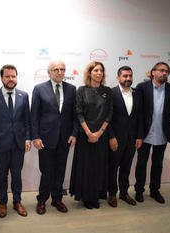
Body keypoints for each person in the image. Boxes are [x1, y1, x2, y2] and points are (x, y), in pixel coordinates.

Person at [31, 60, 78, 214]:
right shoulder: (39, 89)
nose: (59, 72)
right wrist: (36, 137)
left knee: (60, 170)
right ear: (49, 72)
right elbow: (34, 116)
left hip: (65, 139)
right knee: (46, 171)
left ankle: (57, 199)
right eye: (56, 69)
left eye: (62, 69)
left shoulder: (71, 89)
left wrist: (74, 134)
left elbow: (75, 115)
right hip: (45, 139)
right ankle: (42, 200)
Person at [0, 65, 31, 218]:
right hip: (0, 144)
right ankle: (2, 203)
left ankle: (17, 201)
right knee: (2, 175)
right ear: (1, 78)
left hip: (19, 144)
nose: (11, 79)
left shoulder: (24, 96)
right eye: (7, 77)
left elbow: (27, 121)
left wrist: (27, 138)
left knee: (17, 175)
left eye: (13, 76)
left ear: (16, 77)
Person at [69, 61, 113, 209]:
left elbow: (109, 114)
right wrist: (89, 133)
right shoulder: (81, 90)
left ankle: (96, 196)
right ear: (89, 73)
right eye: (96, 70)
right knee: (86, 167)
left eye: (101, 70)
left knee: (99, 166)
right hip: (85, 135)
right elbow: (78, 113)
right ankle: (86, 197)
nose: (99, 73)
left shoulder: (107, 91)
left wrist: (99, 133)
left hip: (101, 135)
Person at [134, 62, 170, 204]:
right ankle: (139, 190)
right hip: (145, 134)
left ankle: (154, 190)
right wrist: (139, 135)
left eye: (167, 71)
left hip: (162, 133)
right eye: (162, 70)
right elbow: (138, 113)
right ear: (153, 72)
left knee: (158, 164)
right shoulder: (142, 88)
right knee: (141, 163)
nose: (164, 73)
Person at [107, 66, 143, 208]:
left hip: (132, 139)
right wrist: (111, 137)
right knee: (113, 167)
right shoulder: (111, 93)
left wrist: (139, 136)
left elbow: (140, 116)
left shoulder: (137, 93)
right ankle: (111, 194)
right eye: (125, 76)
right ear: (118, 77)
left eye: (130, 76)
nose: (128, 79)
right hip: (115, 139)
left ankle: (123, 193)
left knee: (126, 167)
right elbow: (106, 118)